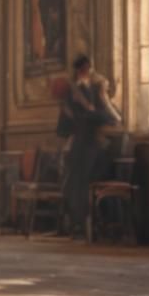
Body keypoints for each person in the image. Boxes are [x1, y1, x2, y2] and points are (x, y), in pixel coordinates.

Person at [58, 55, 118, 237]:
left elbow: (110, 118)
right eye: (85, 69)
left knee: (87, 184)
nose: (88, 72)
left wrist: (90, 112)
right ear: (80, 70)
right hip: (79, 146)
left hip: (94, 146)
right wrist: (77, 115)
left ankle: (93, 224)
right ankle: (77, 224)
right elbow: (64, 126)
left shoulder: (96, 89)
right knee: (74, 185)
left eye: (88, 69)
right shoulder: (71, 92)